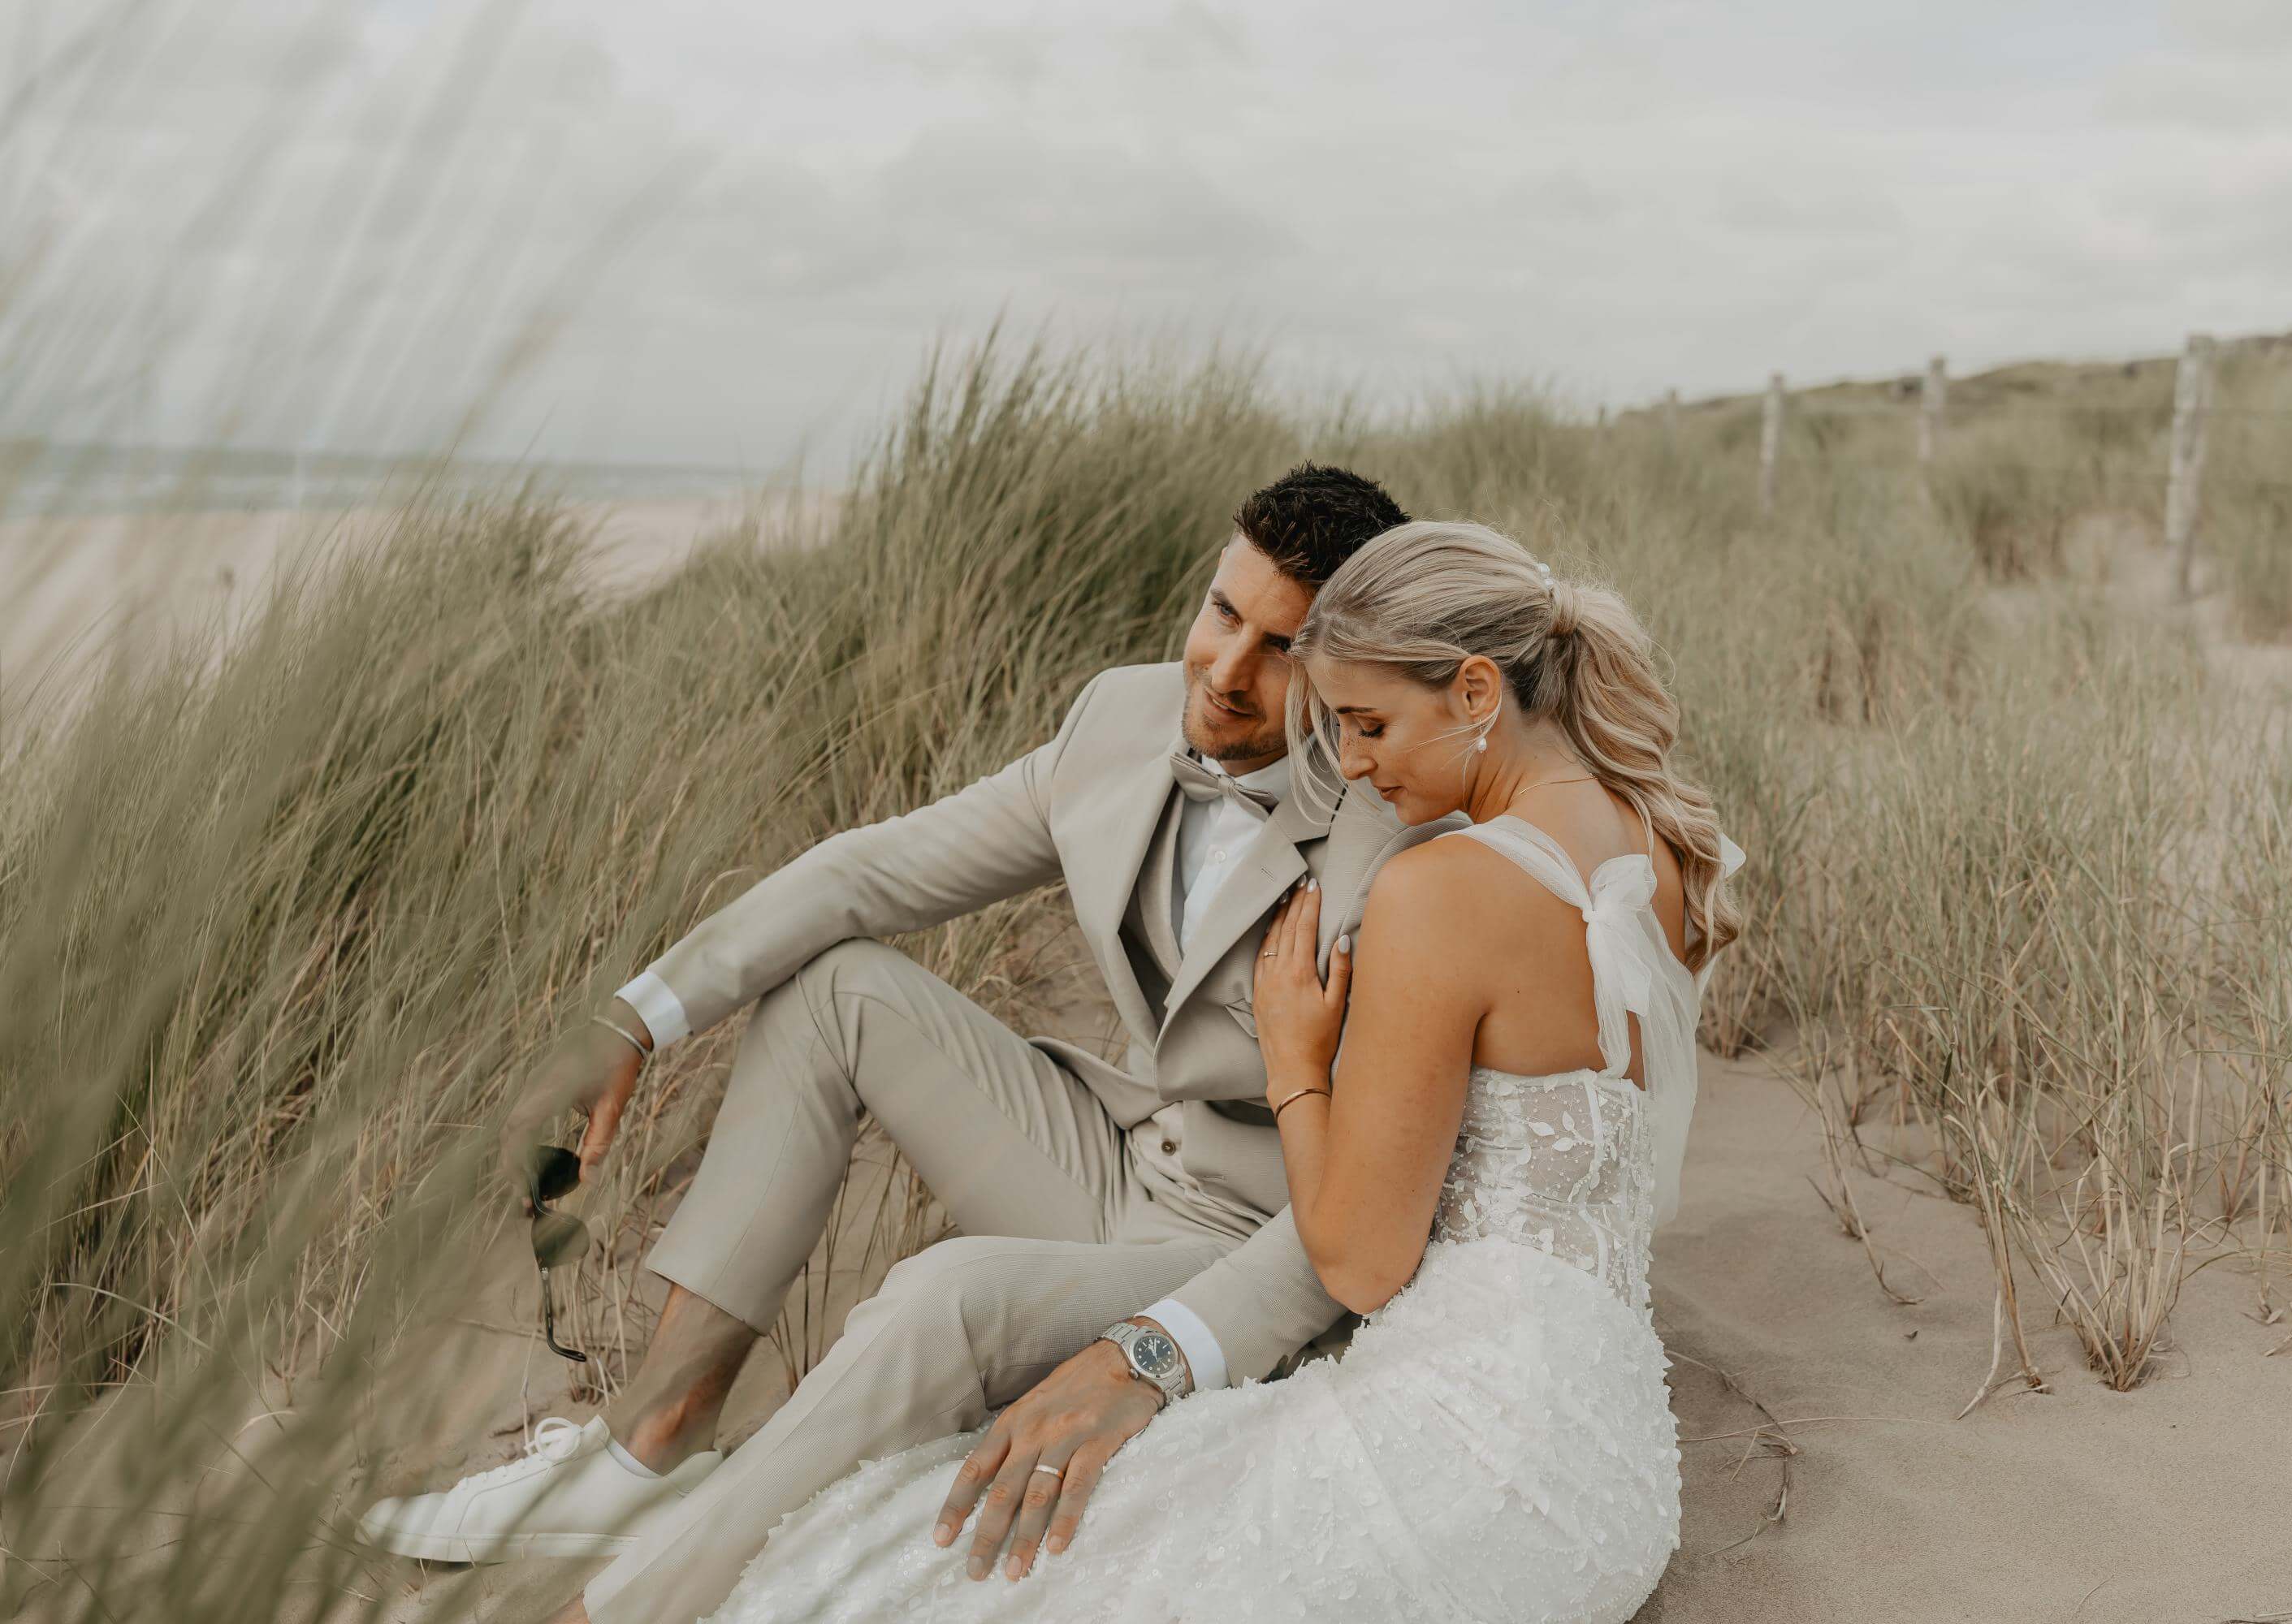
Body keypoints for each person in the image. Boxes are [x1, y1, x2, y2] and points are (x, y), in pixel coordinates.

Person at [355, 464, 1471, 1624]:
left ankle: (624, 1610)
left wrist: (1157, 1351)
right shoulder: (1122, 720)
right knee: (834, 988)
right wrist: (630, 1018)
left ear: (1349, 670)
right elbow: (875, 869)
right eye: (1222, 612)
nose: (1227, 670)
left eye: (1281, 648)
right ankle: (652, 1443)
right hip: (1122, 1160)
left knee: (944, 1297)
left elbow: (1371, 1207)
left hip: (1260, 1239)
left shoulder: (1396, 840)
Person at [693, 518, 1747, 1622]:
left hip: (1466, 1447)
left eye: (1370, 724)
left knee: (936, 1564)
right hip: (1608, 1460)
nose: (1354, 765)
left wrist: (1296, 1062)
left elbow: (1361, 1262)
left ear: (1478, 691)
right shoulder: (1658, 840)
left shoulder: (1440, 893)